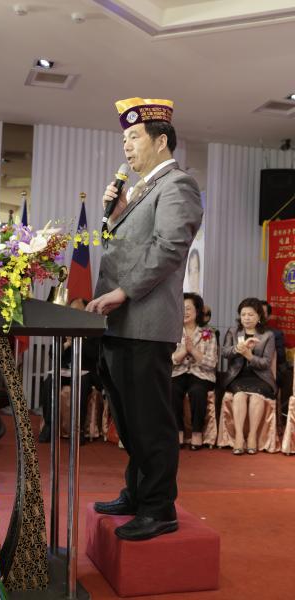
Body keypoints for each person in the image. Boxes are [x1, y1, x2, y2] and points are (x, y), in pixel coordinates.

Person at [86, 97, 203, 541]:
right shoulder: (140, 191)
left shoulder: (178, 185)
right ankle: (137, 493)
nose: (127, 147)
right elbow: (128, 249)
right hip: (121, 323)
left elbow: (169, 248)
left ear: (161, 140)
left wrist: (123, 292)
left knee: (150, 421)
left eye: (134, 137)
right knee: (129, 418)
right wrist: (117, 216)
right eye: (124, 139)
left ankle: (158, 508)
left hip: (146, 324)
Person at [38, 297, 101, 444]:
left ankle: (77, 431)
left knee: (82, 383)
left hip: (86, 373)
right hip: (65, 371)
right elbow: (52, 354)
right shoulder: (64, 328)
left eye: (78, 310)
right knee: (49, 382)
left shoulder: (93, 329)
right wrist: (66, 344)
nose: (74, 313)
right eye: (72, 310)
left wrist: (78, 340)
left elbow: (95, 354)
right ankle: (49, 426)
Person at [222, 297, 277, 455]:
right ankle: (239, 437)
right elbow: (224, 352)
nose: (246, 318)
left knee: (256, 397)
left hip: (261, 377)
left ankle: (252, 436)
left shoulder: (268, 335)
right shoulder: (233, 332)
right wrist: (238, 349)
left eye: (251, 315)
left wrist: (249, 356)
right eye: (243, 314)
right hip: (237, 376)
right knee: (239, 395)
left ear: (259, 316)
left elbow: (266, 363)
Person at [172, 293, 218, 450]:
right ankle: (178, 431)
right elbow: (167, 361)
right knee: (172, 389)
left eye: (188, 308)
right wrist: (183, 351)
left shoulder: (209, 333)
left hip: (201, 374)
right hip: (178, 372)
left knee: (197, 391)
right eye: (181, 308)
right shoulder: (172, 331)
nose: (184, 312)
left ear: (197, 311)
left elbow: (211, 363)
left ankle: (197, 433)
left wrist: (193, 351)